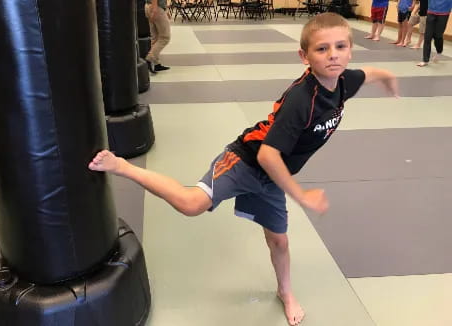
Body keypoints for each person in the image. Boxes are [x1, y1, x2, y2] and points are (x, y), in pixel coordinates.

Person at [89, 13, 399, 326]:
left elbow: (368, 73)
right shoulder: (302, 100)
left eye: (340, 46)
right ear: (304, 56)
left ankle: (285, 292)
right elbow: (267, 156)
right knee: (192, 204)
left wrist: (386, 76)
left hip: (272, 177)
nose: (333, 54)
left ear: (349, 50)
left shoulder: (345, 81)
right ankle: (121, 166)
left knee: (279, 241)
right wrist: (301, 195)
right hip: (246, 161)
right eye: (322, 49)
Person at [417, 0, 451, 66]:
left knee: (438, 35)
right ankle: (425, 60)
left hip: (444, 13)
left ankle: (439, 51)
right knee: (427, 36)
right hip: (431, 12)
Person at [145, 0, 171, 73]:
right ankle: (150, 58)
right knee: (165, 37)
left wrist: (165, 9)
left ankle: (156, 64)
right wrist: (155, 8)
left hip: (150, 6)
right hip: (156, 7)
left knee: (155, 37)